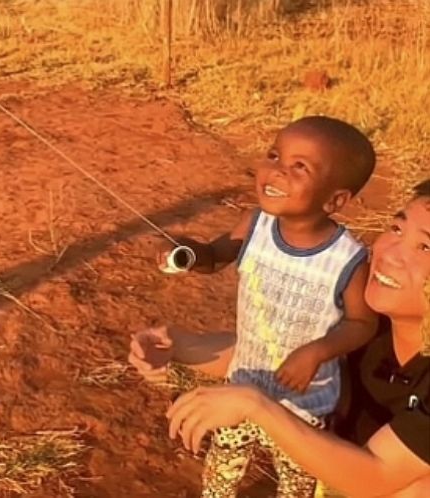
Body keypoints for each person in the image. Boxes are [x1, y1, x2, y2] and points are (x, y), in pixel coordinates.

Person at [130, 116, 380, 497]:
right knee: (221, 470)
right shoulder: (255, 224)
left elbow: (362, 323)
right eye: (274, 155)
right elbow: (214, 256)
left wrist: (317, 351)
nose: (276, 171)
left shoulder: (349, 258)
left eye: (299, 166)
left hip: (303, 403)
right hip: (243, 383)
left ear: (335, 200)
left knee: (295, 481)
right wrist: (186, 251)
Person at [166, 179, 430, 497]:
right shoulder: (367, 322)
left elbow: (376, 475)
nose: (390, 253)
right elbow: (285, 356)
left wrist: (255, 405)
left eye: (425, 247)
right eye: (396, 229)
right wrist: (177, 346)